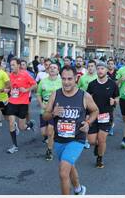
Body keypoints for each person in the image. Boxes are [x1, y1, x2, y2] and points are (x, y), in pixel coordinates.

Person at [43, 65, 98, 195]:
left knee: (63, 172)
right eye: (63, 79)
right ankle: (79, 189)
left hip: (76, 139)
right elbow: (45, 115)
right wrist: (53, 113)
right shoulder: (55, 94)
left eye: (69, 79)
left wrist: (88, 122)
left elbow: (95, 110)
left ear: (76, 79)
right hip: (59, 140)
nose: (66, 82)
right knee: (69, 165)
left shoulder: (84, 96)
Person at [87, 62, 119, 168]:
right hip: (93, 115)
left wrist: (114, 101)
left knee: (102, 139)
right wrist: (87, 114)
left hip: (106, 115)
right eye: (98, 68)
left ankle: (99, 158)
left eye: (102, 68)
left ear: (106, 70)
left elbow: (118, 98)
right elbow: (87, 99)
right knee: (92, 141)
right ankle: (97, 146)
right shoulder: (92, 84)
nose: (100, 70)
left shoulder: (112, 84)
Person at [6, 58, 37, 153]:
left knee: (22, 127)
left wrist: (27, 90)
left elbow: (35, 85)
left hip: (23, 103)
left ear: (18, 65)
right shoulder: (10, 76)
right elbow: (10, 87)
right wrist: (7, 90)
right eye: (10, 65)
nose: (12, 67)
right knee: (11, 123)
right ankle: (14, 146)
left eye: (13, 65)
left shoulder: (25, 74)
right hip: (12, 102)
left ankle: (30, 124)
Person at [36, 62, 62, 160]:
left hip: (55, 110)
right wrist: (41, 104)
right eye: (50, 67)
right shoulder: (43, 81)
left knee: (50, 131)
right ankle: (53, 137)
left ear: (58, 71)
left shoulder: (61, 82)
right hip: (44, 109)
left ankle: (49, 151)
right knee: (44, 133)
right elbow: (38, 94)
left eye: (54, 68)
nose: (52, 69)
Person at [107, 58, 118, 136]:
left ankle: (111, 126)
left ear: (114, 65)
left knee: (111, 111)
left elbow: (119, 83)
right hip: (105, 93)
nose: (110, 65)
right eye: (109, 64)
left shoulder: (117, 73)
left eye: (112, 64)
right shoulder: (105, 72)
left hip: (114, 94)